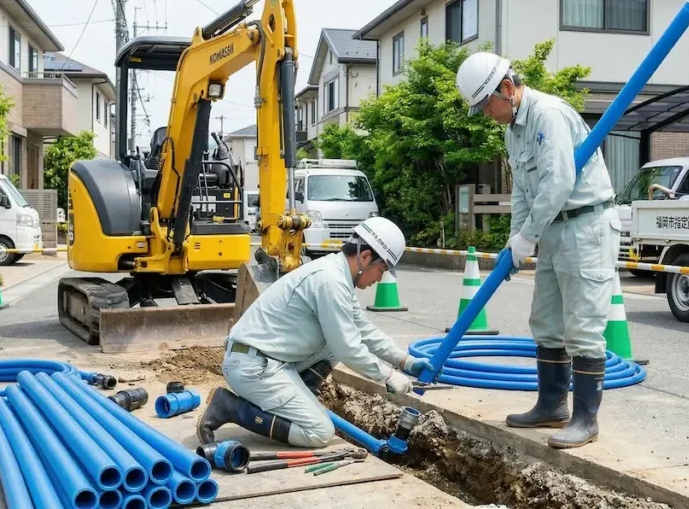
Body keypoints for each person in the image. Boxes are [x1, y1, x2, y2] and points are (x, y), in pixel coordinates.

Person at [455, 51, 620, 449]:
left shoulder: (548, 115)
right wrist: (518, 241)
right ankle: (551, 405)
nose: (485, 114)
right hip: (552, 230)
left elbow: (559, 182)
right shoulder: (513, 129)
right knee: (546, 321)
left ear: (507, 89)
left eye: (485, 105)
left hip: (586, 225)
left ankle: (585, 419)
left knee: (582, 325)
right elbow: (525, 195)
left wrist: (529, 235)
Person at [197, 216, 434, 448]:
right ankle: (228, 407)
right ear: (365, 256)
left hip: (269, 361)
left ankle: (298, 401)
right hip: (252, 366)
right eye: (381, 269)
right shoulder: (330, 281)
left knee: (338, 338)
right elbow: (348, 348)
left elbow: (363, 330)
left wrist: (406, 361)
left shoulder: (338, 274)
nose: (379, 278)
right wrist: (389, 377)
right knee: (320, 432)